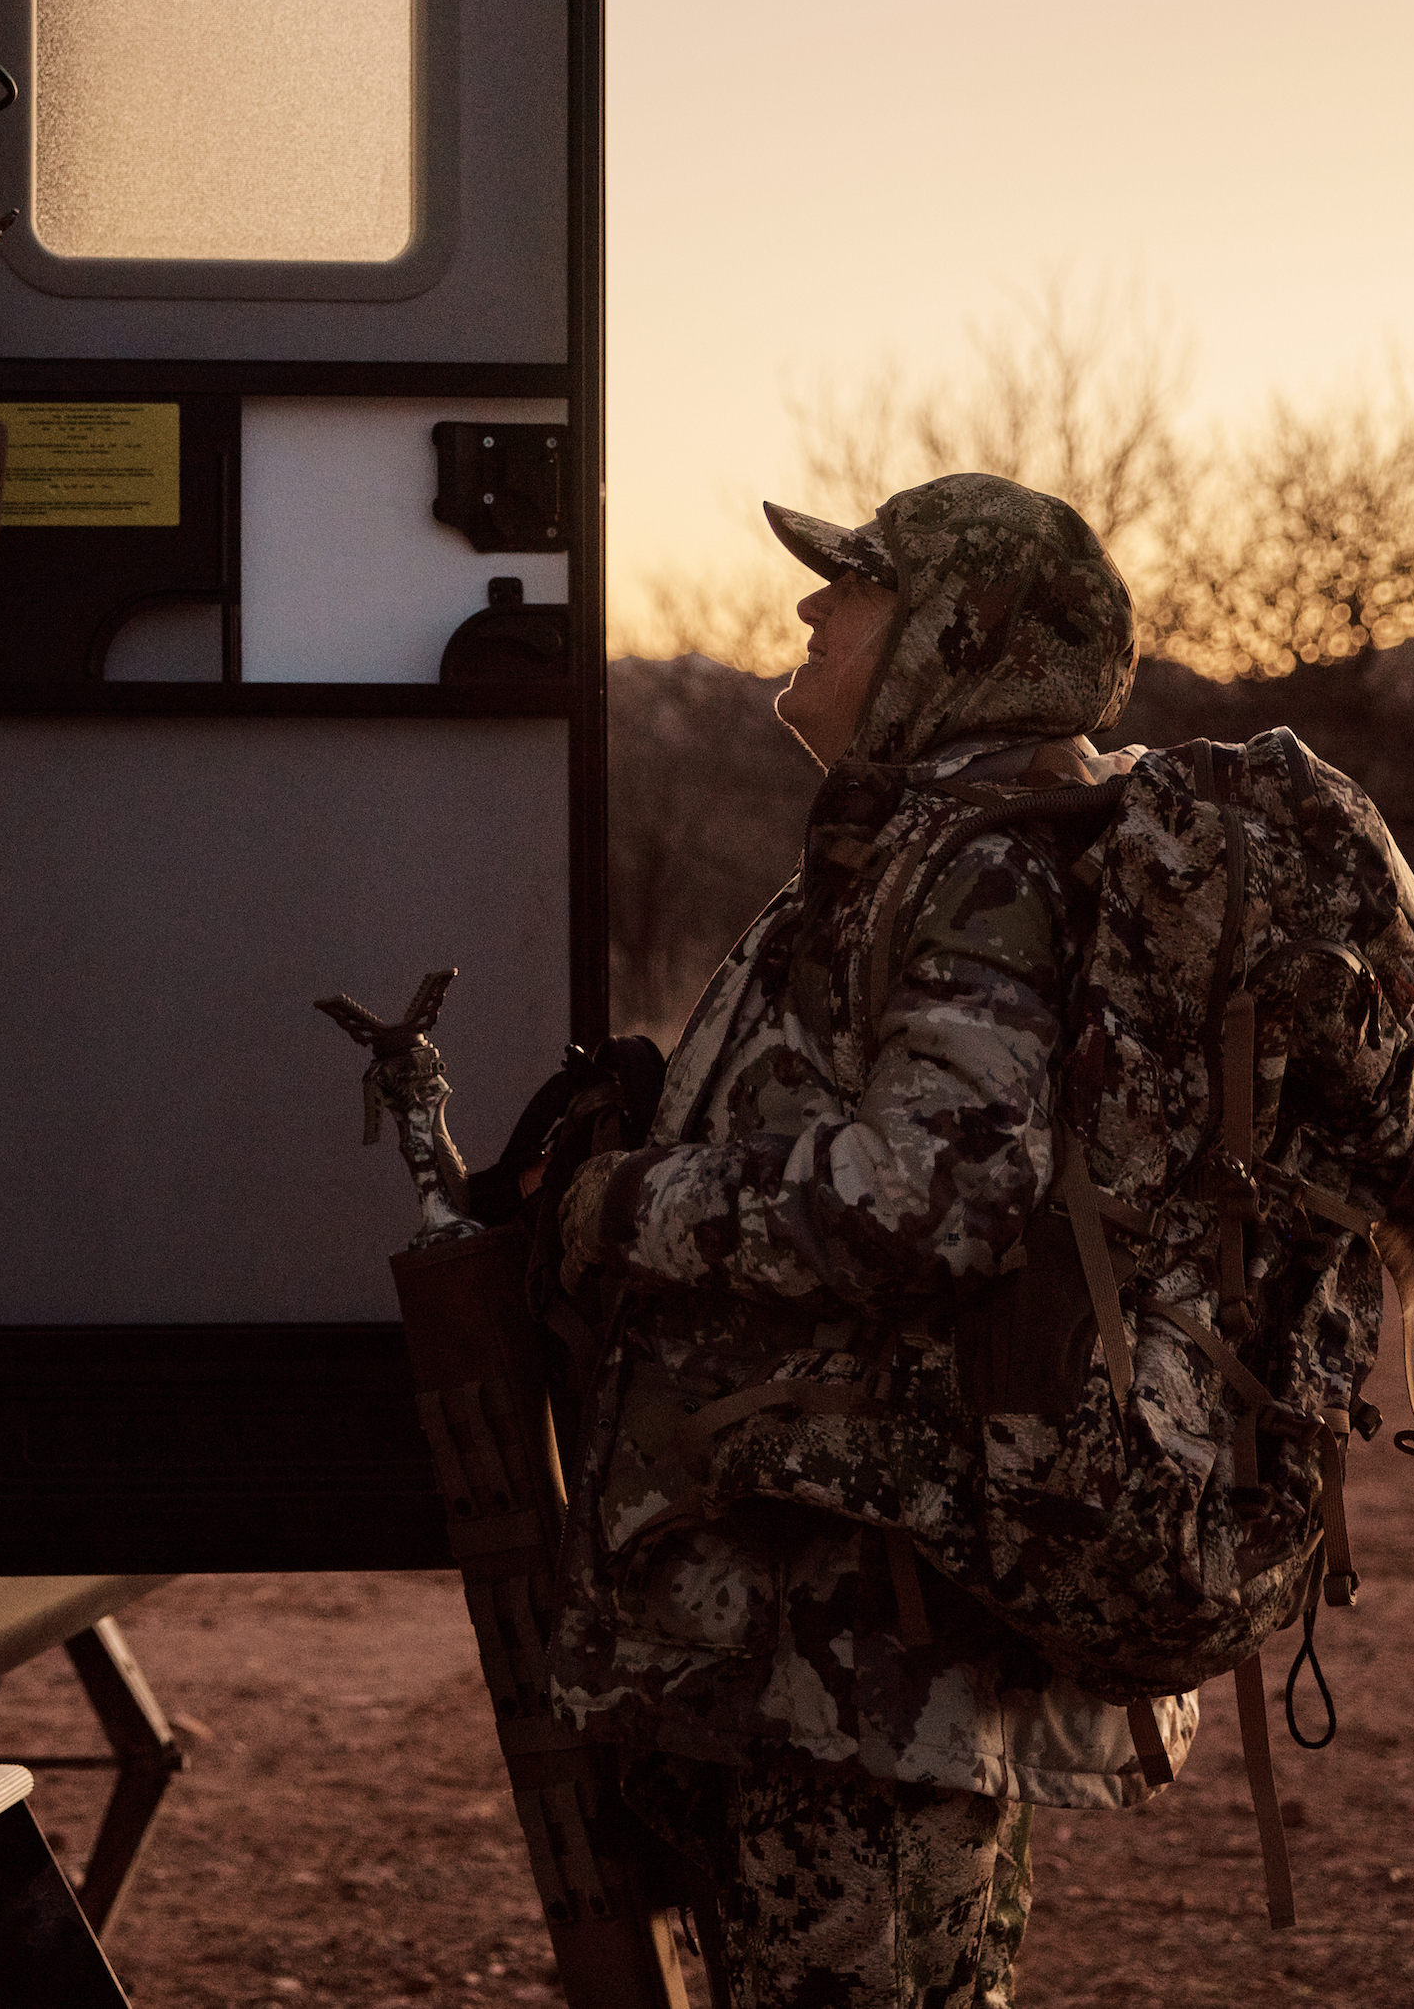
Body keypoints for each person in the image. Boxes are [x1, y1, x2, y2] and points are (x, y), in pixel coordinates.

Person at [546, 474, 1182, 2007]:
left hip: (873, 1650)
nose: (812, 608)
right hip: (824, 1636)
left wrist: (627, 1208)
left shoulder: (982, 866)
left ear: (957, 637)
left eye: (856, 590)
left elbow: (939, 1192)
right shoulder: (913, 842)